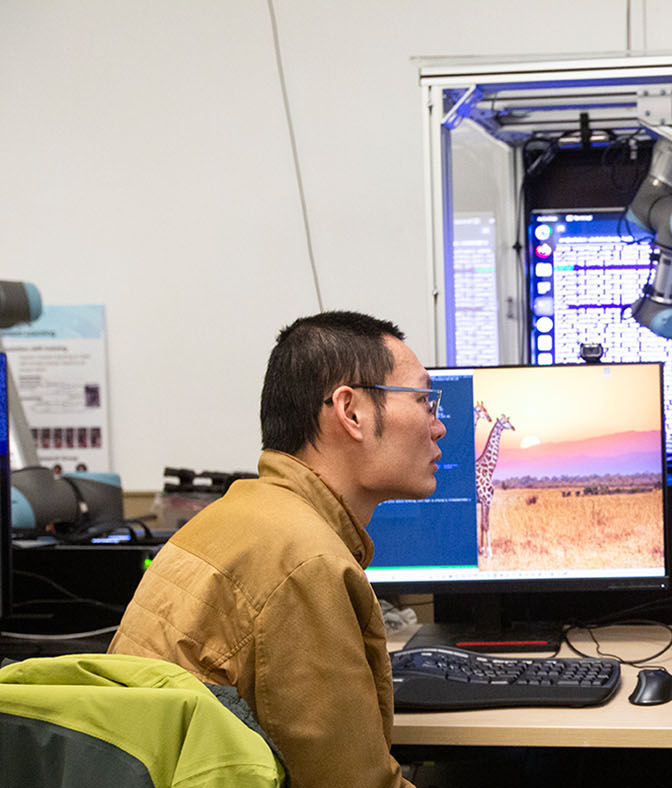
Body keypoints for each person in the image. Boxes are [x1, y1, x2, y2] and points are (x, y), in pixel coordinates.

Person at [110, 311, 446, 788]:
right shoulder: (305, 562)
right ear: (352, 412)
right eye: (424, 401)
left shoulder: (240, 517)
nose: (438, 428)